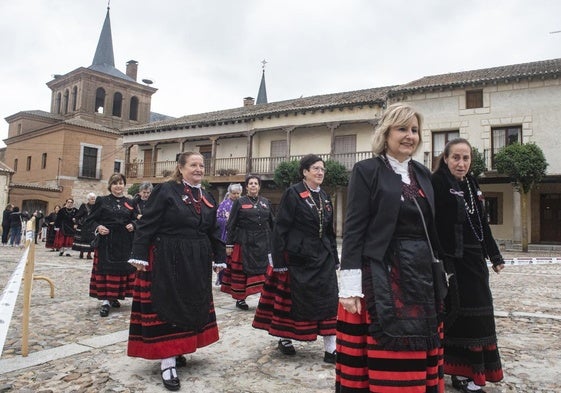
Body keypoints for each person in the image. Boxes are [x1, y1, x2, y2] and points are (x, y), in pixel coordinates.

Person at [336, 103, 445, 392]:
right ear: (386, 133)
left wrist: (442, 272)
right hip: (382, 272)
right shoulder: (367, 171)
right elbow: (354, 229)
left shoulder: (423, 174)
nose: (410, 135)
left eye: (414, 130)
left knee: (420, 342)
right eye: (402, 129)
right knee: (386, 343)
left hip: (421, 275)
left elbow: (432, 229)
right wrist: (349, 286)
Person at [127, 152, 226, 392]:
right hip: (168, 257)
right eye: (193, 165)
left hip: (197, 259)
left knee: (191, 303)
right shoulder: (166, 190)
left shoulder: (207, 196)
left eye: (202, 165)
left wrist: (219, 256)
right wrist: (139, 253)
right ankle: (168, 361)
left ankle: (181, 348)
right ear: (180, 168)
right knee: (168, 304)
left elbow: (214, 230)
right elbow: (147, 223)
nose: (199, 169)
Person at [431, 138, 505, 393]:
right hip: (452, 260)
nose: (461, 163)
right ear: (446, 158)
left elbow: (482, 225)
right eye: (456, 158)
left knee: (482, 312)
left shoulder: (472, 184)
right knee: (457, 314)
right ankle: (457, 372)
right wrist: (439, 259)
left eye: (466, 158)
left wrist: (495, 257)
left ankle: (476, 370)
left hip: (474, 261)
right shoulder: (437, 182)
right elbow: (433, 224)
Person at [252, 154, 339, 364]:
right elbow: (281, 227)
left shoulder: (325, 196)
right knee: (292, 300)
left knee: (329, 299)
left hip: (323, 256)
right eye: (316, 169)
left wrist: (335, 256)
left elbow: (329, 230)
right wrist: (279, 260)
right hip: (299, 257)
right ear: (305, 172)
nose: (320, 173)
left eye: (322, 169)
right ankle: (285, 338)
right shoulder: (293, 193)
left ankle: (331, 348)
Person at [85, 174, 136, 317]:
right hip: (107, 242)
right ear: (110, 185)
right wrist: (99, 227)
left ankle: (115, 297)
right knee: (107, 271)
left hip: (125, 242)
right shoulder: (102, 201)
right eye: (115, 183)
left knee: (121, 270)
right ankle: (106, 301)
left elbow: (136, 220)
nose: (118, 186)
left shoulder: (130, 202)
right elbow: (90, 221)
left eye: (120, 183)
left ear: (124, 185)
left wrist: (133, 224)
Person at [220, 176, 273, 310]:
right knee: (242, 271)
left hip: (262, 243)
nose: (253, 185)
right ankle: (240, 299)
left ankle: (265, 298)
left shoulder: (266, 202)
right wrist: (229, 244)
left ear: (259, 187)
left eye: (256, 183)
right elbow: (231, 224)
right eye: (251, 183)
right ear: (247, 187)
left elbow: (272, 223)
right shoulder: (239, 202)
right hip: (244, 242)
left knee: (264, 271)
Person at [214, 183, 242, 285]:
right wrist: (226, 220)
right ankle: (223, 280)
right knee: (225, 259)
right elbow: (217, 220)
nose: (236, 195)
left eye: (238, 193)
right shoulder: (223, 205)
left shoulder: (242, 203)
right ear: (229, 193)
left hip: (239, 236)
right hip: (225, 236)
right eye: (234, 193)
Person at [72, 193, 97, 259]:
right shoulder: (84, 206)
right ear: (88, 199)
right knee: (82, 240)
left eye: (94, 199)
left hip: (92, 226)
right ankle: (81, 253)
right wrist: (76, 223)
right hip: (83, 226)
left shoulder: (96, 207)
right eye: (92, 199)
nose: (93, 200)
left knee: (91, 240)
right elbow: (78, 215)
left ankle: (89, 254)